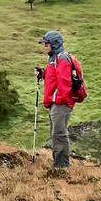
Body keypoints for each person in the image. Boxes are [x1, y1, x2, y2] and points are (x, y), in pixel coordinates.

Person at [35, 31, 77, 173]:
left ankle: (62, 167)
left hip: (61, 104)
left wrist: (56, 100)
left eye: (46, 44)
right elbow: (54, 78)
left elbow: (64, 84)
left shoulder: (62, 59)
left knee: (59, 134)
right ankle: (58, 164)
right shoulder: (54, 58)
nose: (44, 46)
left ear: (54, 44)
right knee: (56, 133)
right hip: (57, 103)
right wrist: (43, 74)